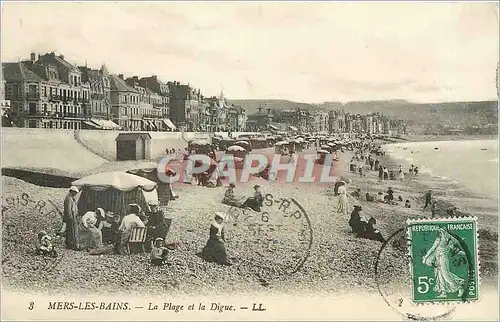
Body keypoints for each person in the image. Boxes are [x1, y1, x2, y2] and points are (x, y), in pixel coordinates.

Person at [422, 228, 465, 298]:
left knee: (445, 275)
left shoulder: (449, 240)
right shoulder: (438, 239)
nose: (441, 233)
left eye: (442, 231)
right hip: (437, 259)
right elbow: (432, 249)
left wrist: (464, 254)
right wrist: (425, 258)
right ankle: (443, 292)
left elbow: (455, 250)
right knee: (440, 275)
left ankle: (459, 288)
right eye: (441, 232)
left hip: (443, 259)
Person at [63, 186, 80, 250]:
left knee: (70, 231)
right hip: (70, 217)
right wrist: (71, 217)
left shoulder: (71, 198)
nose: (75, 194)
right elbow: (68, 210)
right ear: (71, 192)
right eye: (75, 193)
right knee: (71, 231)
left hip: (72, 217)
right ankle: (70, 244)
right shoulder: (68, 198)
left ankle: (70, 244)